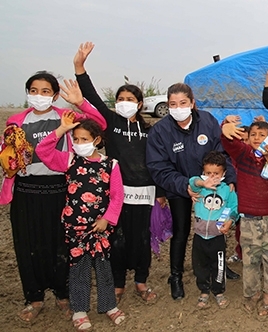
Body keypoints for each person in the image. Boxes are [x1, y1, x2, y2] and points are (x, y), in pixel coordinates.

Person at [1, 73, 106, 322]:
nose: (39, 96)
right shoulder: (16, 122)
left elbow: (99, 124)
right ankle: (34, 298)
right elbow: (7, 156)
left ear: (55, 95)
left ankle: (63, 295)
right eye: (34, 90)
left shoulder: (65, 117)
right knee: (27, 246)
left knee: (61, 244)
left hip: (59, 189)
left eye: (46, 91)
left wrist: (81, 103)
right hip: (25, 191)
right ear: (27, 93)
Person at [73, 41, 163, 304]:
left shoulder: (150, 132)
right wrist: (80, 66)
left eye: (130, 99)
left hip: (144, 193)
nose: (124, 103)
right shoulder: (110, 123)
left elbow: (158, 163)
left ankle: (141, 281)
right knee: (118, 240)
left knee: (142, 240)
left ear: (140, 103)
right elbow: (91, 96)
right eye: (121, 99)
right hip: (115, 195)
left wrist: (160, 193)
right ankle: (119, 283)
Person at [146, 83, 237, 300]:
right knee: (182, 231)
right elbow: (158, 167)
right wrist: (186, 186)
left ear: (192, 103)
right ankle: (175, 275)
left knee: (216, 226)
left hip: (212, 187)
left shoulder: (207, 121)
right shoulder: (160, 131)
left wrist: (230, 179)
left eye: (183, 103)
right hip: (180, 188)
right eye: (173, 104)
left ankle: (218, 269)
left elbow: (222, 152)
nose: (178, 108)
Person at [36, 111, 126, 331]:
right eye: (75, 139)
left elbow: (117, 195)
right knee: (79, 267)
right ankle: (80, 310)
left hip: (101, 226)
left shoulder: (111, 164)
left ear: (96, 140)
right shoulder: (69, 159)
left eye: (84, 139)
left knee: (104, 266)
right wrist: (62, 129)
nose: (78, 143)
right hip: (75, 225)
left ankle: (109, 306)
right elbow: (42, 150)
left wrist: (107, 219)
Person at [220, 118, 268, 319]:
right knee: (250, 260)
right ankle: (252, 293)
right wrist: (225, 129)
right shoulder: (243, 154)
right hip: (247, 218)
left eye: (262, 135)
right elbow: (228, 142)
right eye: (254, 134)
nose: (257, 138)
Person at [189, 151, 238, 310]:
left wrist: (228, 221)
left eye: (216, 173)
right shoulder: (200, 187)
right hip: (199, 235)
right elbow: (191, 181)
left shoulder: (227, 190)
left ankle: (218, 291)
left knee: (219, 265)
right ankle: (203, 290)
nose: (212, 176)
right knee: (199, 265)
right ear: (203, 172)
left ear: (224, 173)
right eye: (208, 173)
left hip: (217, 236)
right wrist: (202, 183)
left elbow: (233, 208)